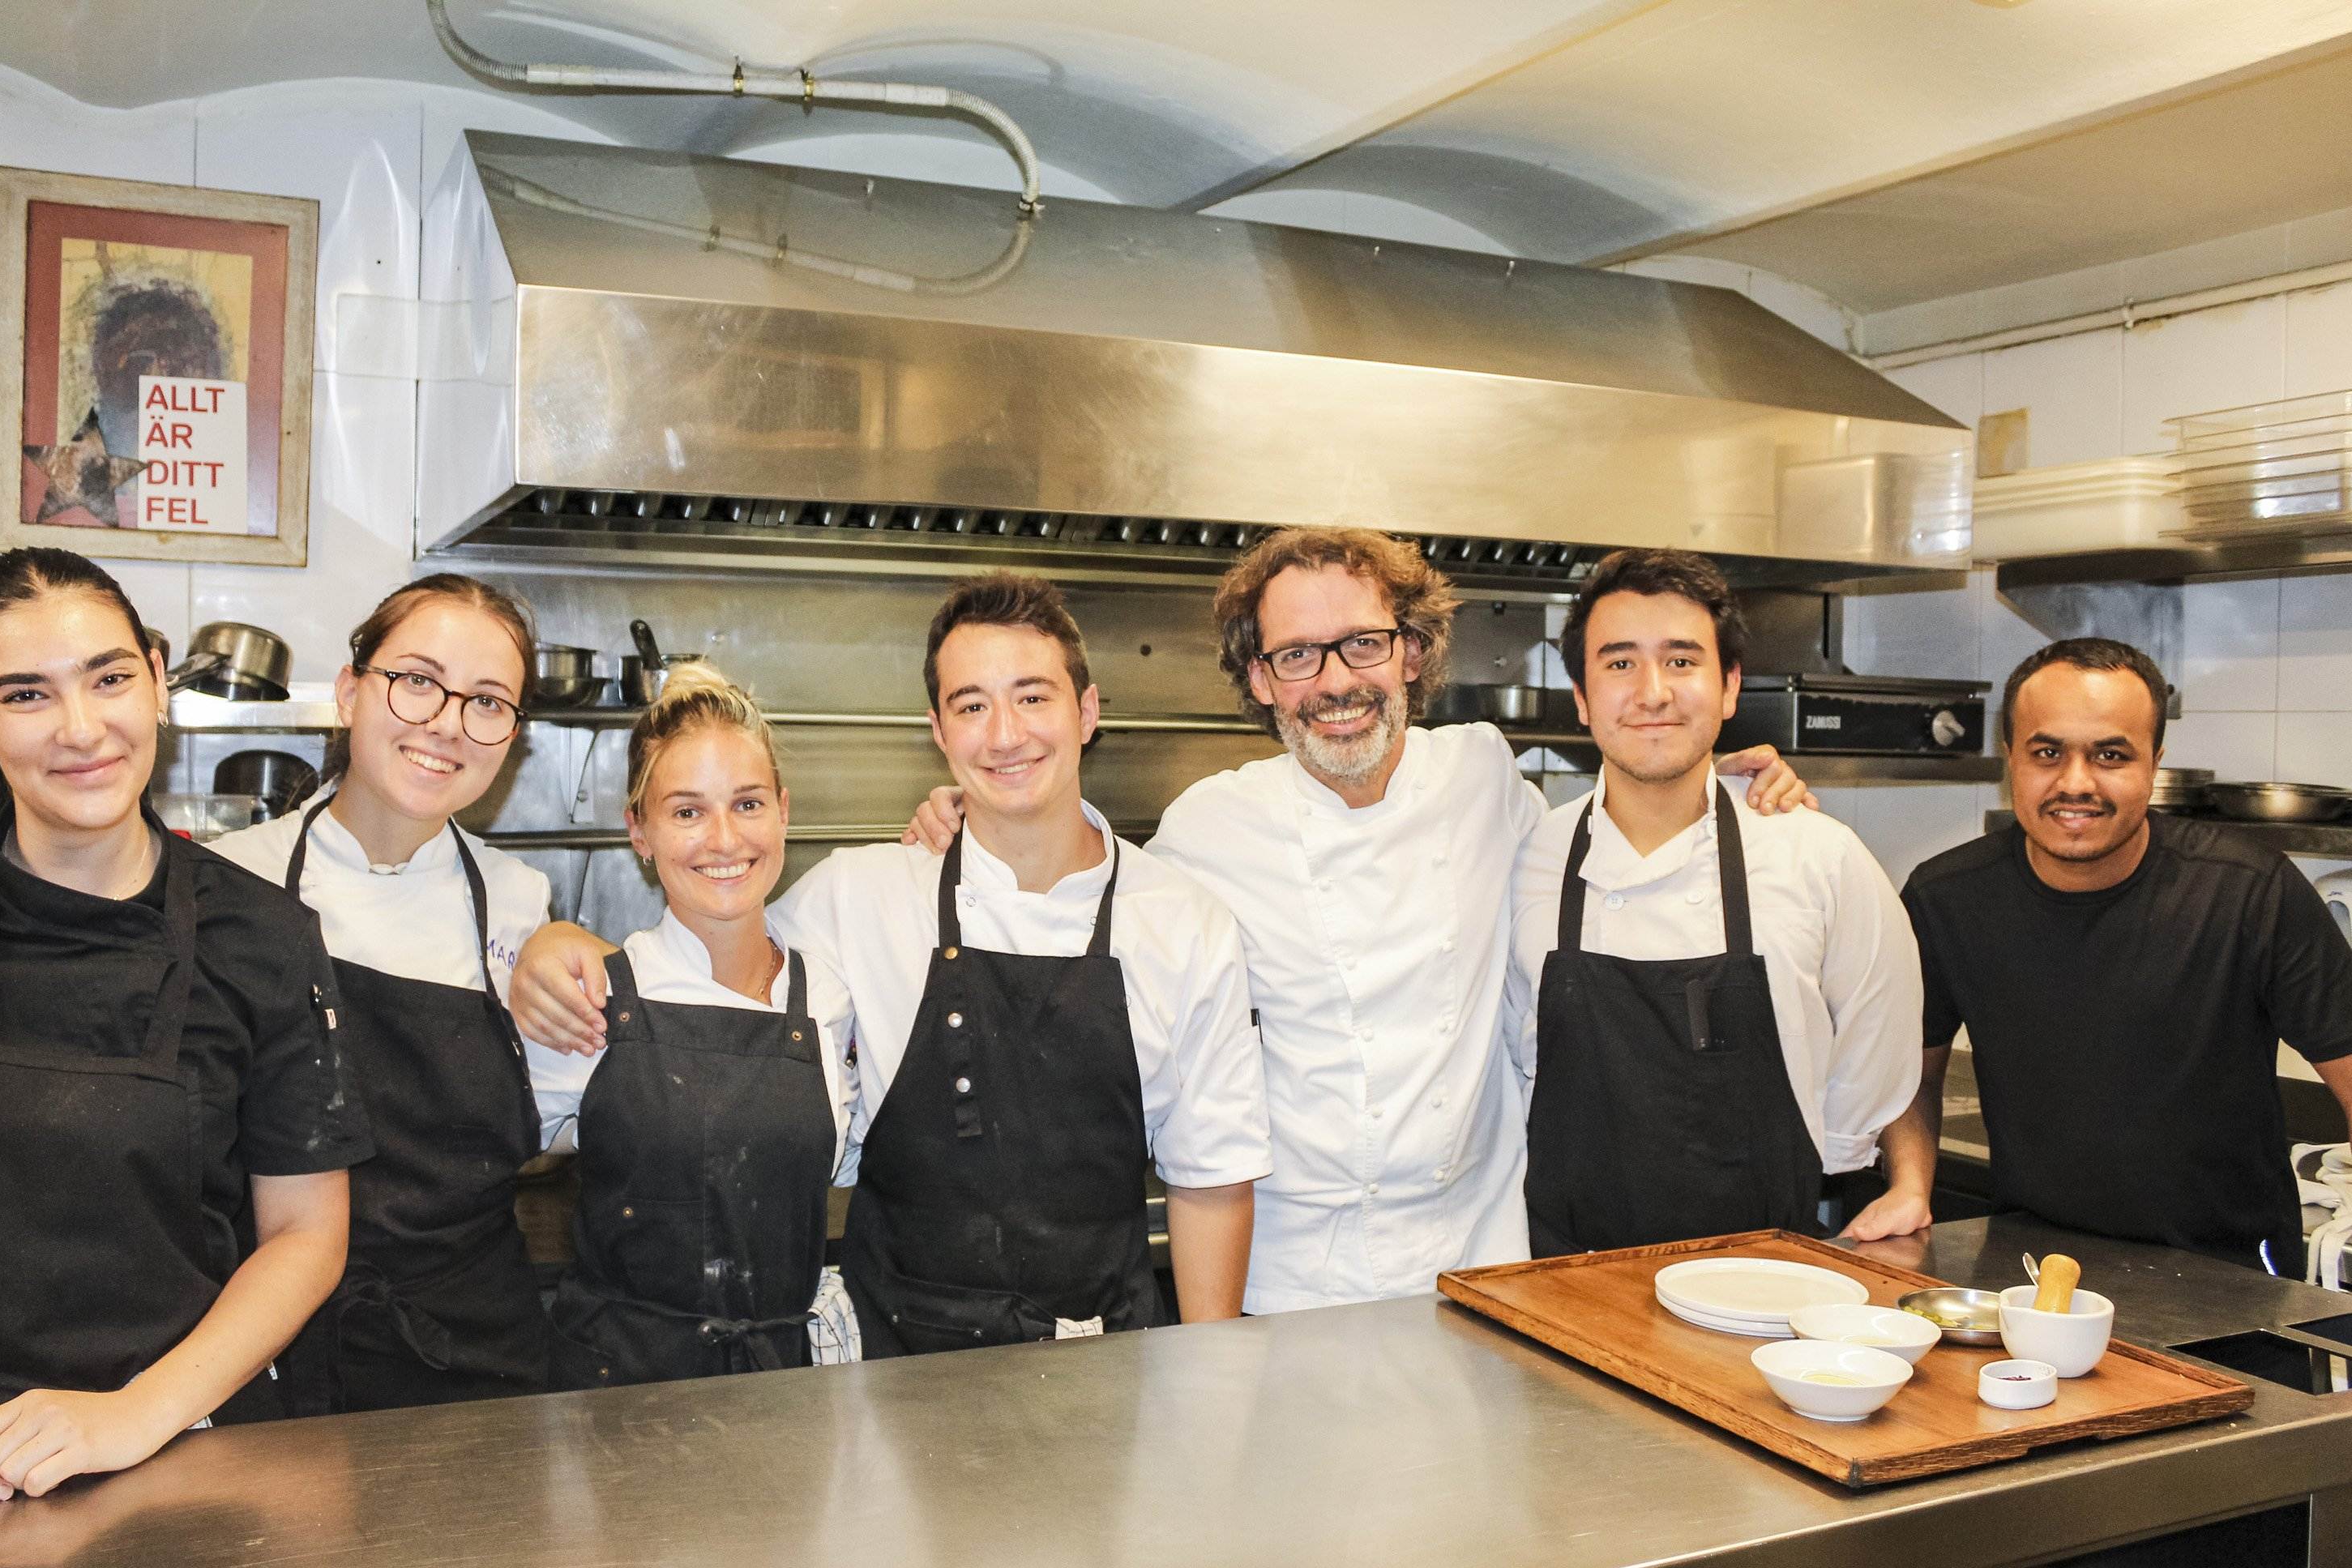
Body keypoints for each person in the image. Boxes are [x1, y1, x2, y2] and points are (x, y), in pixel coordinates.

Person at [903, 528, 1811, 1314]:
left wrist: (1709, 775)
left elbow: (1612, 840)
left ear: (1414, 651)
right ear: (1260, 680)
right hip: (1291, 1281)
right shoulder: (1207, 828)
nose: (1335, 681)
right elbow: (1072, 903)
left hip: (1485, 1265)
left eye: (1364, 644)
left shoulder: (1486, 776)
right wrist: (975, 817)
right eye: (1297, 655)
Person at [511, 572, 1272, 1354]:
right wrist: (563, 946)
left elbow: (1211, 1178)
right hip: (894, 1378)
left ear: (1087, 712)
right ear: (939, 733)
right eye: (972, 705)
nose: (1005, 734)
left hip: (1100, 1360)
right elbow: (708, 954)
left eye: (1033, 697)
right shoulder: (859, 895)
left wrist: (1207, 1386)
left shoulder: (1186, 925)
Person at [0, 548, 363, 1512]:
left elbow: (305, 1233)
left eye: (111, 678)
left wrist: (132, 1413)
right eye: (27, 694)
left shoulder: (264, 936)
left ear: (158, 680)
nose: (83, 729)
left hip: (183, 1449)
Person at [1861, 637, 2352, 1270]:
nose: (2076, 783)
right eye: (2047, 752)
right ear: (2012, 758)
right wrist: (1909, 1186)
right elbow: (1913, 1074)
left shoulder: (2246, 892)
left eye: (2111, 755)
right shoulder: (1948, 897)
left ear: (2154, 764)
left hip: (2231, 1274)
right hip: (2032, 1270)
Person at [1507, 549, 1923, 1255]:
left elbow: (1878, 1043)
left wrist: (1876, 1172)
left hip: (1769, 1274)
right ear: (1579, 695)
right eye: (1618, 664)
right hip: (1562, 1275)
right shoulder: (1525, 858)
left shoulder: (1817, 855)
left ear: (1729, 687)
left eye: (1680, 661)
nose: (1652, 693)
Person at [208, 575, 552, 1412]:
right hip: (275, 1346)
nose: (447, 721)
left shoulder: (520, 904)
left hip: (477, 1357)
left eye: (488, 700)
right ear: (350, 689)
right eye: (419, 679)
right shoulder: (228, 883)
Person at [524, 662, 862, 1384]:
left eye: (747, 804)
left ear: (783, 811)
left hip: (783, 1392)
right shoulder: (588, 998)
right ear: (638, 833)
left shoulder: (828, 999)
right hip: (620, 1399)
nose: (723, 839)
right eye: (686, 812)